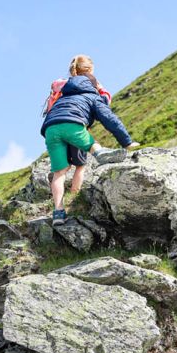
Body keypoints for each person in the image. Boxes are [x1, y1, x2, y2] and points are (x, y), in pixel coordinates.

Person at [40, 54, 140, 226]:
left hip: (50, 128)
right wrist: (127, 141)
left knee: (59, 173)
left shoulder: (63, 93)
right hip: (72, 124)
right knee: (91, 145)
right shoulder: (93, 95)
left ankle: (58, 212)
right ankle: (99, 153)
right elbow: (110, 119)